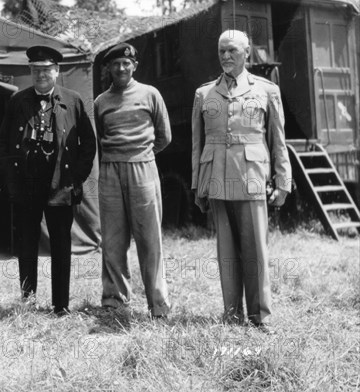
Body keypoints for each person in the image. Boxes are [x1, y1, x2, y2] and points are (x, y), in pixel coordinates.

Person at [191, 29, 291, 333]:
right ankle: (232, 314)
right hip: (218, 180)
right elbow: (197, 144)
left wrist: (283, 181)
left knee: (256, 251)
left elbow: (278, 141)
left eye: (232, 50)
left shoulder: (266, 90)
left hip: (251, 179)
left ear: (246, 52)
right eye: (222, 51)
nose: (225, 56)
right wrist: (198, 184)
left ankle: (260, 316)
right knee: (226, 252)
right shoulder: (204, 94)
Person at [0, 45, 96, 315]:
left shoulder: (73, 100)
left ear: (57, 71)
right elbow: (3, 144)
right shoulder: (18, 101)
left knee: (61, 245)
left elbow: (88, 143)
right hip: (26, 185)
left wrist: (77, 179)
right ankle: (27, 302)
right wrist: (11, 182)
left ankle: (60, 305)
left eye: (46, 70)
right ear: (30, 71)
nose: (41, 75)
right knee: (26, 244)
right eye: (36, 70)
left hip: (60, 185)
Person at [94, 42, 172, 319]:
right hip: (110, 171)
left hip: (143, 169)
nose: (121, 68)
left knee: (150, 238)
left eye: (126, 63)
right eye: (115, 64)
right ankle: (114, 299)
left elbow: (164, 136)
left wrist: (141, 155)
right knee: (113, 240)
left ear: (134, 66)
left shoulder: (150, 94)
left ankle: (158, 304)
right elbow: (100, 137)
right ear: (109, 68)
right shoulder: (101, 101)